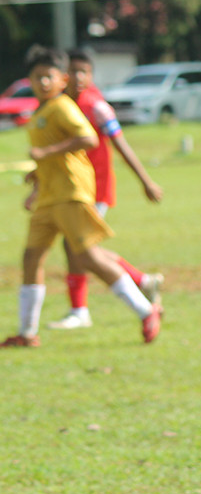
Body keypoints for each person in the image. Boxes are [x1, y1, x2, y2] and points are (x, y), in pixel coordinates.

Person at [1, 45, 163, 349]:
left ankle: (145, 310)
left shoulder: (62, 106)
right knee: (31, 257)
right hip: (49, 198)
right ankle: (26, 333)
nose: (43, 83)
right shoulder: (41, 112)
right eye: (37, 78)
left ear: (61, 80)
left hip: (71, 193)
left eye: (49, 77)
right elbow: (54, 151)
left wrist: (45, 153)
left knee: (86, 256)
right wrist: (37, 176)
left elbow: (88, 138)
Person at [47, 48, 164, 330]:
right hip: (71, 188)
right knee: (82, 247)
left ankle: (80, 311)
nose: (77, 77)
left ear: (91, 75)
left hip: (96, 190)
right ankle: (143, 281)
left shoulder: (97, 106)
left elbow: (121, 145)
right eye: (72, 71)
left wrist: (145, 181)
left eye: (83, 72)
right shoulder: (60, 105)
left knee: (77, 246)